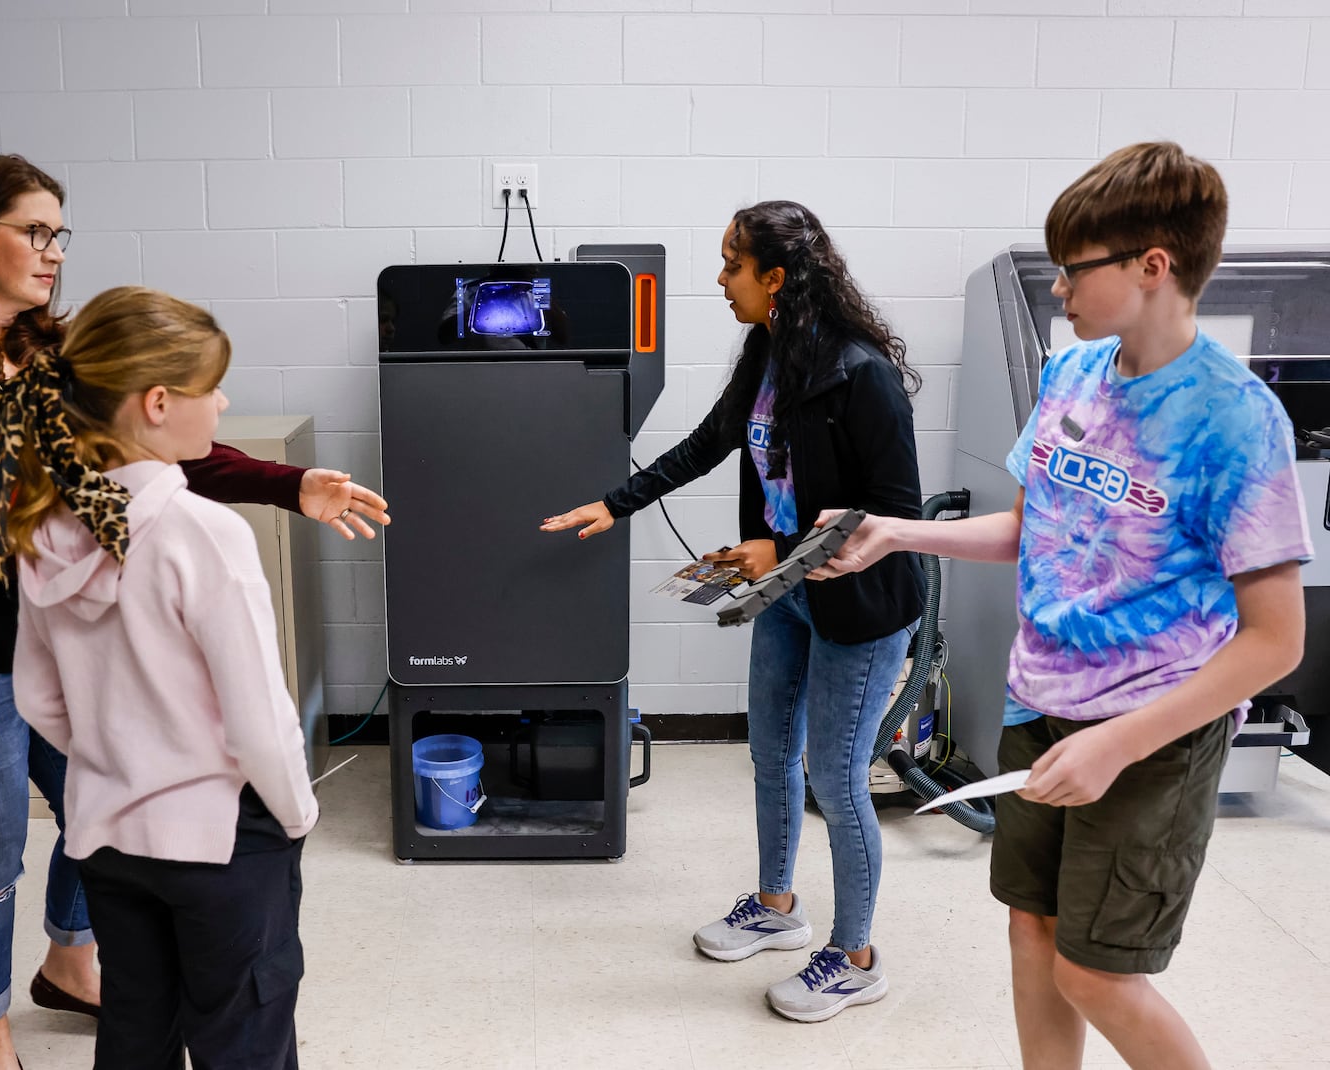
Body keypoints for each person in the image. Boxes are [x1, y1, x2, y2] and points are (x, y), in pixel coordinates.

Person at [0, 150, 388, 1070]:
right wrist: (7, 546)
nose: (52, 252)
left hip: (50, 636)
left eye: (58, 234)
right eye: (33, 232)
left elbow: (151, 443)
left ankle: (71, 965)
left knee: (96, 815)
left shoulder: (43, 350)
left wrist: (289, 482)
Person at [809, 142, 1310, 1069]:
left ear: (1153, 266)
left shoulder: (1237, 420)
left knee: (1099, 974)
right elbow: (1026, 531)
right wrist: (894, 531)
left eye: (1075, 270)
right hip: (1040, 709)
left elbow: (1276, 641)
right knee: (1032, 941)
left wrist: (1118, 742)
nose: (1058, 292)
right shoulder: (1074, 377)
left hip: (1149, 735)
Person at [541, 200, 926, 1022]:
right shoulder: (769, 349)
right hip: (788, 592)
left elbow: (894, 519)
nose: (721, 281)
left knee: (835, 775)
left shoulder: (863, 375)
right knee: (770, 753)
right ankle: (777, 906)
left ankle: (856, 957)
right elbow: (712, 439)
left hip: (860, 606)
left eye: (730, 265)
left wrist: (780, 547)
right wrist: (618, 503)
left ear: (777, 278)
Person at [0, 286, 317, 1070]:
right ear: (160, 402)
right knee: (243, 1035)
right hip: (221, 838)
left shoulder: (44, 526)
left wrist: (120, 754)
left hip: (107, 831)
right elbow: (258, 716)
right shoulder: (204, 532)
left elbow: (36, 695)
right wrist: (296, 812)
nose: (225, 402)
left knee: (136, 1031)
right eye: (213, 388)